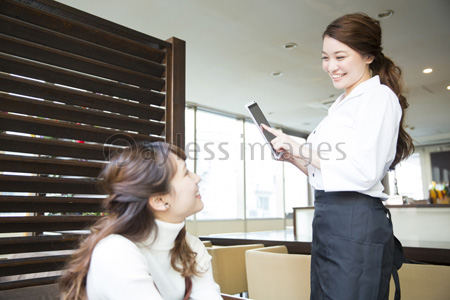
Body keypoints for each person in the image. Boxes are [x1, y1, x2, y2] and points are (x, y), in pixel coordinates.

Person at [262, 13, 414, 300]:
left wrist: (299, 147)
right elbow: (330, 177)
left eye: (340, 56)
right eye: (325, 58)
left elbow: (364, 172)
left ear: (368, 56)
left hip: (355, 222)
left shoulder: (379, 98)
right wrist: (296, 159)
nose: (331, 66)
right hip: (329, 219)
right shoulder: (340, 105)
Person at [60, 142, 222, 300]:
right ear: (159, 200)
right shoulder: (116, 252)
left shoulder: (190, 245)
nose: (197, 178)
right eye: (186, 173)